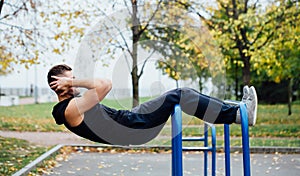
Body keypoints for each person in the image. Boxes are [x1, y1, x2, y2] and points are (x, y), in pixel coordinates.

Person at [48, 64, 257, 145]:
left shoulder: (75, 104)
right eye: (69, 79)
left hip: (130, 118)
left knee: (184, 93)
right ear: (58, 85)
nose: (74, 81)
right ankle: (237, 114)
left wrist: (71, 80)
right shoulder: (68, 111)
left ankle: (237, 108)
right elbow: (105, 85)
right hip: (133, 128)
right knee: (180, 95)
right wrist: (72, 82)